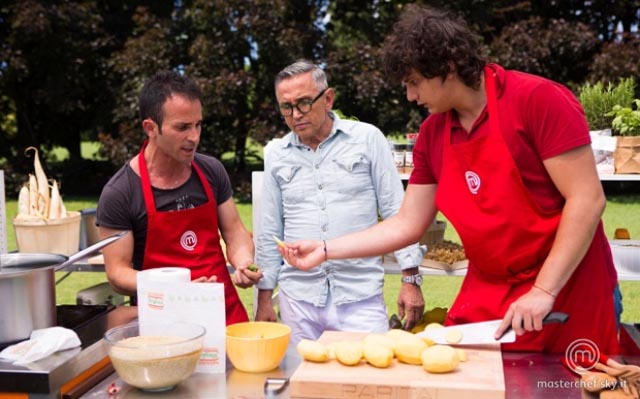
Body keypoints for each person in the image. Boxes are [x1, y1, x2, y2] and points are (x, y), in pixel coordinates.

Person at [279, 6, 620, 354]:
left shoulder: (538, 100)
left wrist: (544, 291)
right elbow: (408, 223)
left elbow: (587, 199)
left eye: (414, 82)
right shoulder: (432, 134)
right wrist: (324, 250)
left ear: (448, 67)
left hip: (568, 286)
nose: (410, 96)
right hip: (489, 289)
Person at [254, 60, 425, 346]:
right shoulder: (277, 154)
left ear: (328, 98)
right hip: (298, 301)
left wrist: (411, 279)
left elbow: (398, 211)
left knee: (366, 385)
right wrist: (263, 299)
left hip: (360, 297)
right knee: (301, 384)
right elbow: (270, 230)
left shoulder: (368, 139)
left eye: (305, 103)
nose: (296, 115)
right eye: (286, 107)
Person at [96, 70, 260, 325]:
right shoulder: (121, 192)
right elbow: (117, 274)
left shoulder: (211, 171)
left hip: (225, 315)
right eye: (182, 127)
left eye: (198, 125)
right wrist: (175, 288)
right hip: (164, 322)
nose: (194, 137)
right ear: (151, 128)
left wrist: (243, 262)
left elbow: (235, 232)